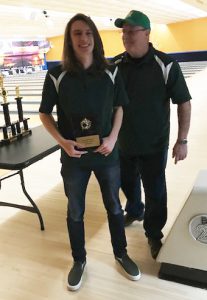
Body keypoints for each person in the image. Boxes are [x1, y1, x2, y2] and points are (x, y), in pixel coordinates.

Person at [39, 13, 141, 291]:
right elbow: (44, 114)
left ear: (95, 37)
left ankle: (121, 253)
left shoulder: (111, 71)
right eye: (77, 33)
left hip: (107, 154)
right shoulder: (56, 75)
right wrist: (62, 141)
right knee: (75, 211)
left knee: (114, 207)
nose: (83, 39)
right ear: (69, 39)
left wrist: (112, 137)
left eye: (88, 33)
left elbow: (120, 107)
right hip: (74, 158)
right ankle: (79, 260)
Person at [113, 10, 191, 259]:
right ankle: (135, 209)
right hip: (122, 143)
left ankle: (154, 234)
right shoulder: (114, 65)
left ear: (146, 33)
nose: (126, 36)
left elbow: (184, 102)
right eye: (123, 32)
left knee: (155, 192)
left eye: (131, 31)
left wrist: (182, 140)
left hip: (154, 144)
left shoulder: (166, 64)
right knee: (126, 183)